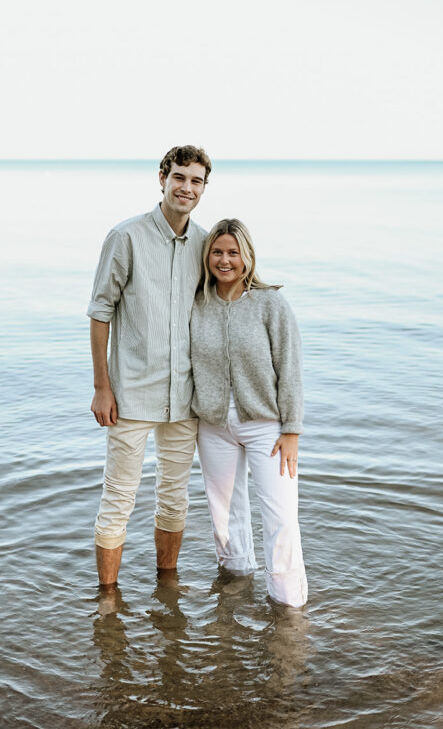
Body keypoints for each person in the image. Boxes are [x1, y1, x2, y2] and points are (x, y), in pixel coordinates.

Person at [88, 145, 211, 590]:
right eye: (180, 177)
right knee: (119, 497)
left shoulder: (204, 244)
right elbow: (100, 311)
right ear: (162, 178)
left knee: (175, 500)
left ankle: (167, 589)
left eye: (196, 181)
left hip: (185, 396)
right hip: (132, 391)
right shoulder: (126, 237)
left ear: (203, 188)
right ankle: (107, 601)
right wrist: (102, 387)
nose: (187, 188)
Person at [190, 218, 308, 608]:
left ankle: (288, 607)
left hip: (267, 428)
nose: (225, 260)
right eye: (217, 252)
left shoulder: (270, 304)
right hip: (213, 426)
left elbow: (289, 367)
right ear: (207, 256)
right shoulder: (197, 303)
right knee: (224, 517)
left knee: (280, 518)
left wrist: (291, 429)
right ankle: (236, 588)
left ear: (247, 257)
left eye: (233, 252)